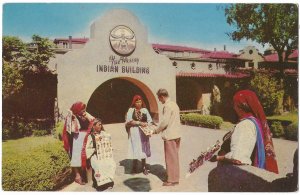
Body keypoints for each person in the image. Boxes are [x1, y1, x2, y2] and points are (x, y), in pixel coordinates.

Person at [212, 90, 279, 174]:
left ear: (241, 106)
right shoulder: (255, 122)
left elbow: (238, 158)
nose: (234, 107)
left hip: (235, 178)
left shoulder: (246, 125)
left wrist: (217, 158)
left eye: (235, 104)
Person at [153, 89, 182, 186]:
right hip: (177, 134)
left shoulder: (167, 106)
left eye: (159, 98)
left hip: (170, 135)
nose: (159, 101)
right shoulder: (174, 104)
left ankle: (171, 180)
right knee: (175, 157)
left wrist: (156, 130)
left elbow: (165, 122)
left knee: (170, 158)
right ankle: (175, 177)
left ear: (162, 96)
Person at [62, 101, 95, 185]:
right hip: (77, 138)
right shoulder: (72, 117)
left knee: (87, 155)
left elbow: (93, 121)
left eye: (84, 109)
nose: (84, 111)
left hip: (86, 137)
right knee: (76, 157)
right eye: (82, 109)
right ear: (77, 109)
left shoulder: (85, 114)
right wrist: (73, 119)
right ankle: (77, 176)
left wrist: (86, 116)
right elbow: (72, 130)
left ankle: (88, 174)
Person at [85, 118, 116, 191]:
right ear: (94, 126)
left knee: (110, 164)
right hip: (95, 155)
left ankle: (109, 182)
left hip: (104, 155)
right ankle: (100, 184)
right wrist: (94, 150)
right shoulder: (91, 136)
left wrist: (109, 148)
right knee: (98, 166)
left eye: (101, 125)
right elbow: (88, 148)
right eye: (99, 125)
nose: (100, 126)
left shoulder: (104, 134)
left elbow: (109, 143)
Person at [125, 95, 152, 175]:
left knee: (143, 148)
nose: (138, 103)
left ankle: (144, 167)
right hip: (134, 132)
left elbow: (150, 120)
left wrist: (147, 125)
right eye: (137, 102)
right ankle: (134, 167)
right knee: (135, 148)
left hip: (143, 132)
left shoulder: (145, 110)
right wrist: (139, 123)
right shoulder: (131, 110)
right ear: (134, 103)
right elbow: (129, 121)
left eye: (140, 102)